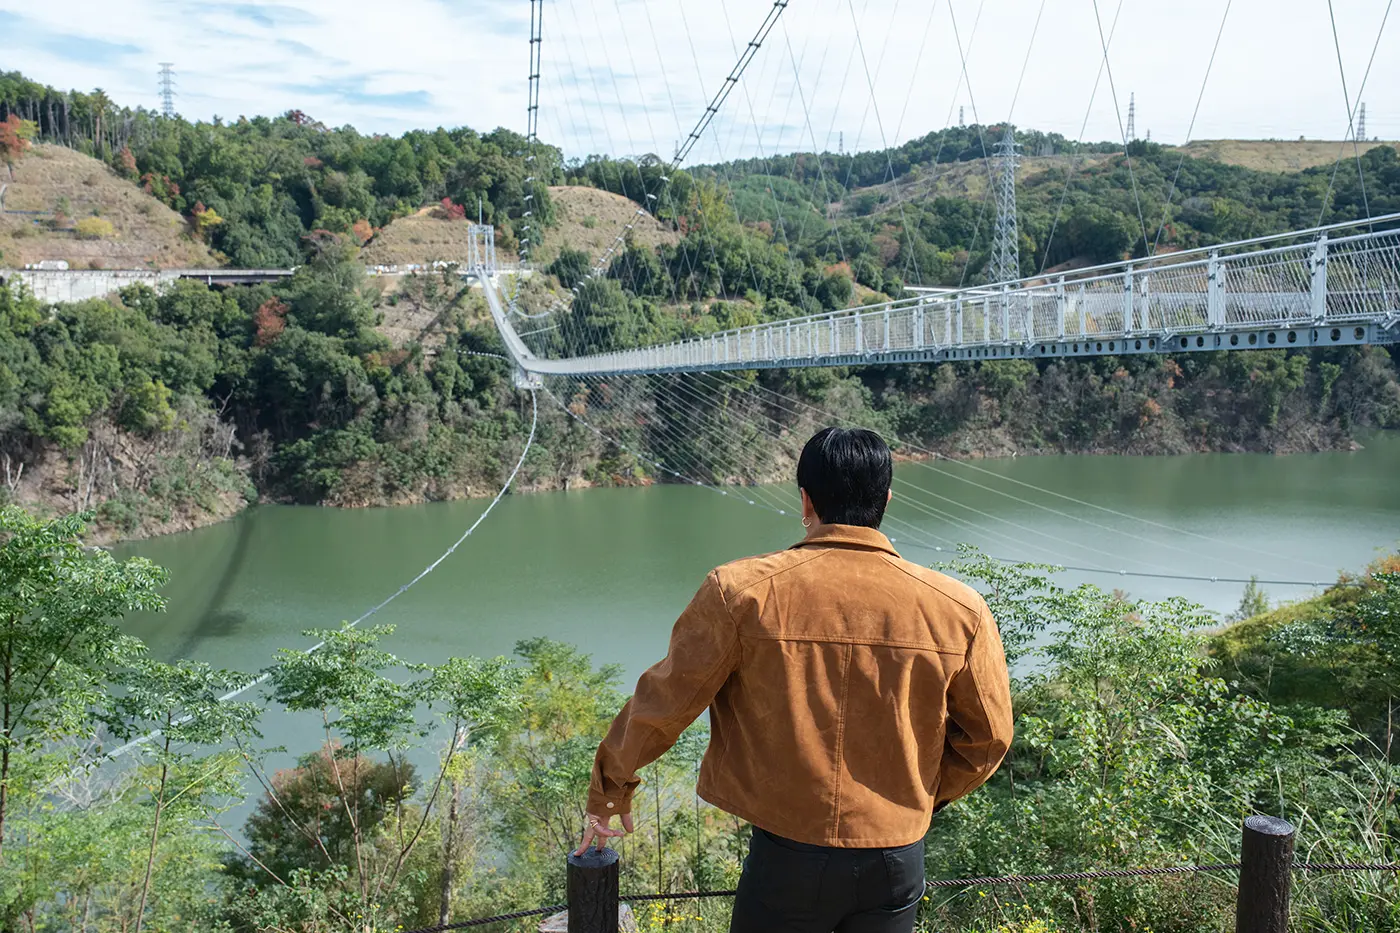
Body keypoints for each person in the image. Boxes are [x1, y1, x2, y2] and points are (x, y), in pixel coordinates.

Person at [576, 427, 1014, 933]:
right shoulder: (959, 610)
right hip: (896, 859)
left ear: (805, 499)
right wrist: (918, 795)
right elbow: (990, 738)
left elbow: (664, 701)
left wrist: (610, 790)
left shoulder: (742, 592)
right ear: (887, 499)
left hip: (786, 856)